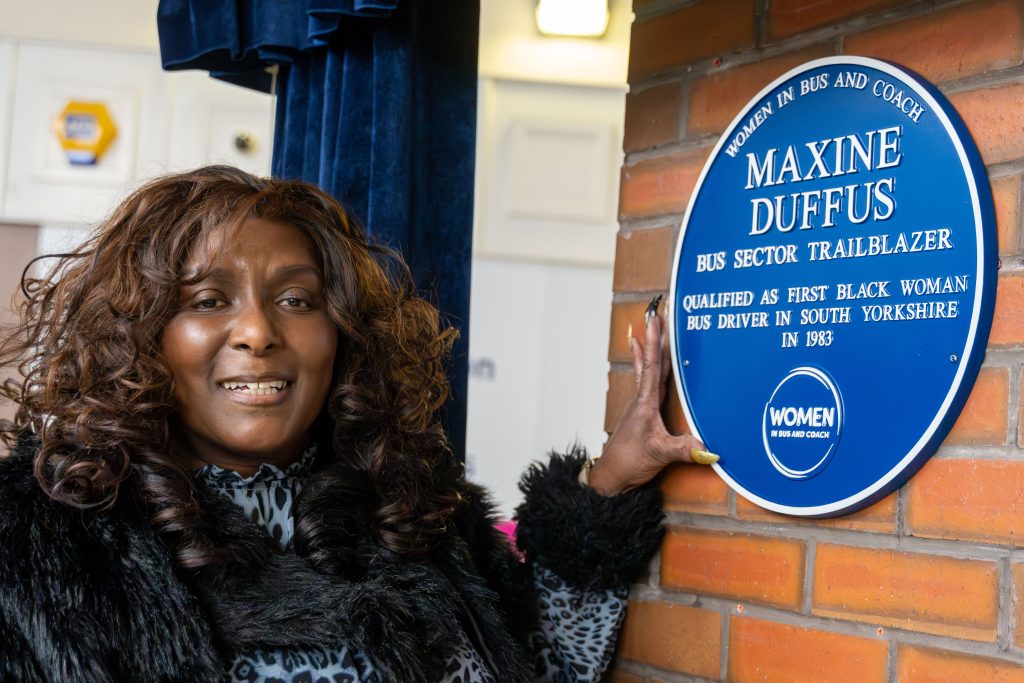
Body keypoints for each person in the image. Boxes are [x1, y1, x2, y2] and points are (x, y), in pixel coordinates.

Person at [0, 166, 710, 682]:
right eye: (209, 299)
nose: (256, 330)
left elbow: (544, 666)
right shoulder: (41, 553)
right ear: (143, 334)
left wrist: (614, 478)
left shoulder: (414, 516)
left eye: (298, 300)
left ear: (341, 334)